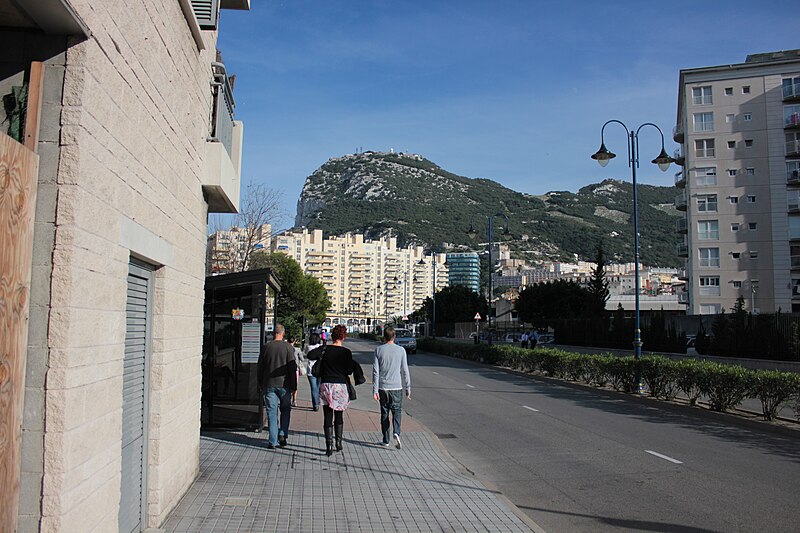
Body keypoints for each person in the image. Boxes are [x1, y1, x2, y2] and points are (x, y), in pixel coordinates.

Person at [311, 324, 364, 456]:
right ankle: (338, 442)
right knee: (339, 415)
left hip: (326, 385)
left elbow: (310, 355)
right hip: (340, 386)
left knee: (327, 415)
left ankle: (329, 446)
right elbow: (348, 370)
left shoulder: (325, 349)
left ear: (332, 336)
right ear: (344, 337)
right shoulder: (346, 352)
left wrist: (322, 350)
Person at [257, 324, 297, 449]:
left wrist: (260, 383)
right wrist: (294, 385)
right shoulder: (288, 348)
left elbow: (260, 367)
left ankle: (272, 441)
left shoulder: (266, 347)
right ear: (283, 334)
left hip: (269, 384)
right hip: (285, 385)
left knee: (271, 412)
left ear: (273, 333)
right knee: (285, 410)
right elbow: (292, 368)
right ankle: (282, 434)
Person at [372, 326, 411, 449]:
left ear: (384, 336)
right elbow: (405, 370)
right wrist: (408, 388)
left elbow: (375, 372)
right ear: (394, 337)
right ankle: (396, 432)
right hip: (396, 387)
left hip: (383, 388)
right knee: (397, 412)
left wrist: (375, 390)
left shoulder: (378, 350)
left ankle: (386, 439)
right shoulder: (401, 350)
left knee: (384, 414)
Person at [303, 332, 323, 411]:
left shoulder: (308, 347)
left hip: (310, 369)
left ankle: (315, 404)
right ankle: (318, 401)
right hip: (320, 369)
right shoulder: (320, 347)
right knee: (318, 387)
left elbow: (305, 354)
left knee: (313, 388)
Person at [288, 336, 306, 407]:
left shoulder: (286, 348)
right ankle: (294, 400)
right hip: (295, 369)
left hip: (287, 369)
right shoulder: (297, 349)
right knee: (295, 385)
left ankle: (288, 399)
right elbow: (302, 359)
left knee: (287, 385)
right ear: (294, 341)